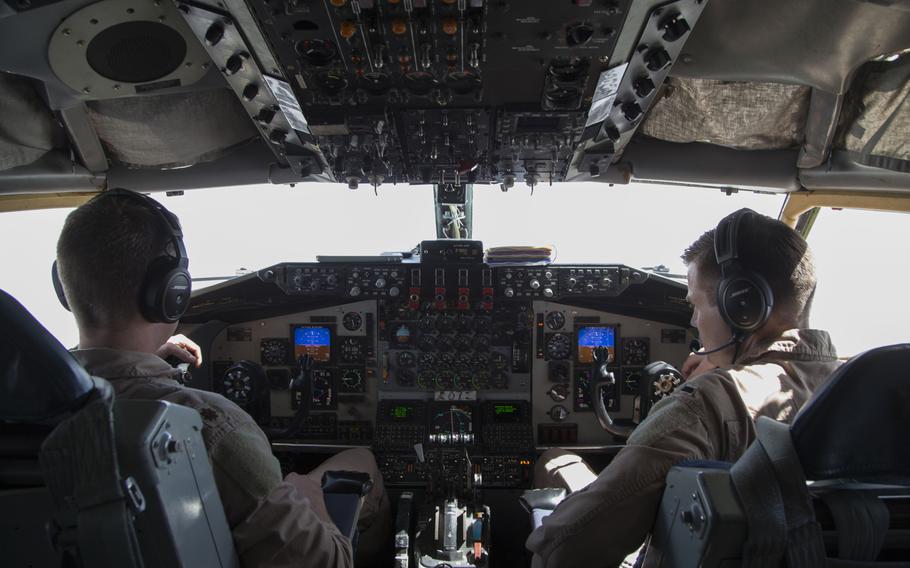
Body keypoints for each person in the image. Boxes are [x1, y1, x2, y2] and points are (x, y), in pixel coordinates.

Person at [54, 188, 389, 568]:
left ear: (64, 287)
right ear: (172, 293)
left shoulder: (24, 407)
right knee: (361, 460)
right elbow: (320, 563)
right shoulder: (212, 426)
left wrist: (142, 358)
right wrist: (307, 494)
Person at [526, 208, 841, 567]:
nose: (693, 322)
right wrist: (726, 366)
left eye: (695, 305)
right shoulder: (857, 388)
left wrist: (699, 393)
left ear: (741, 306)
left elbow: (569, 551)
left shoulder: (709, 402)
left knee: (556, 461)